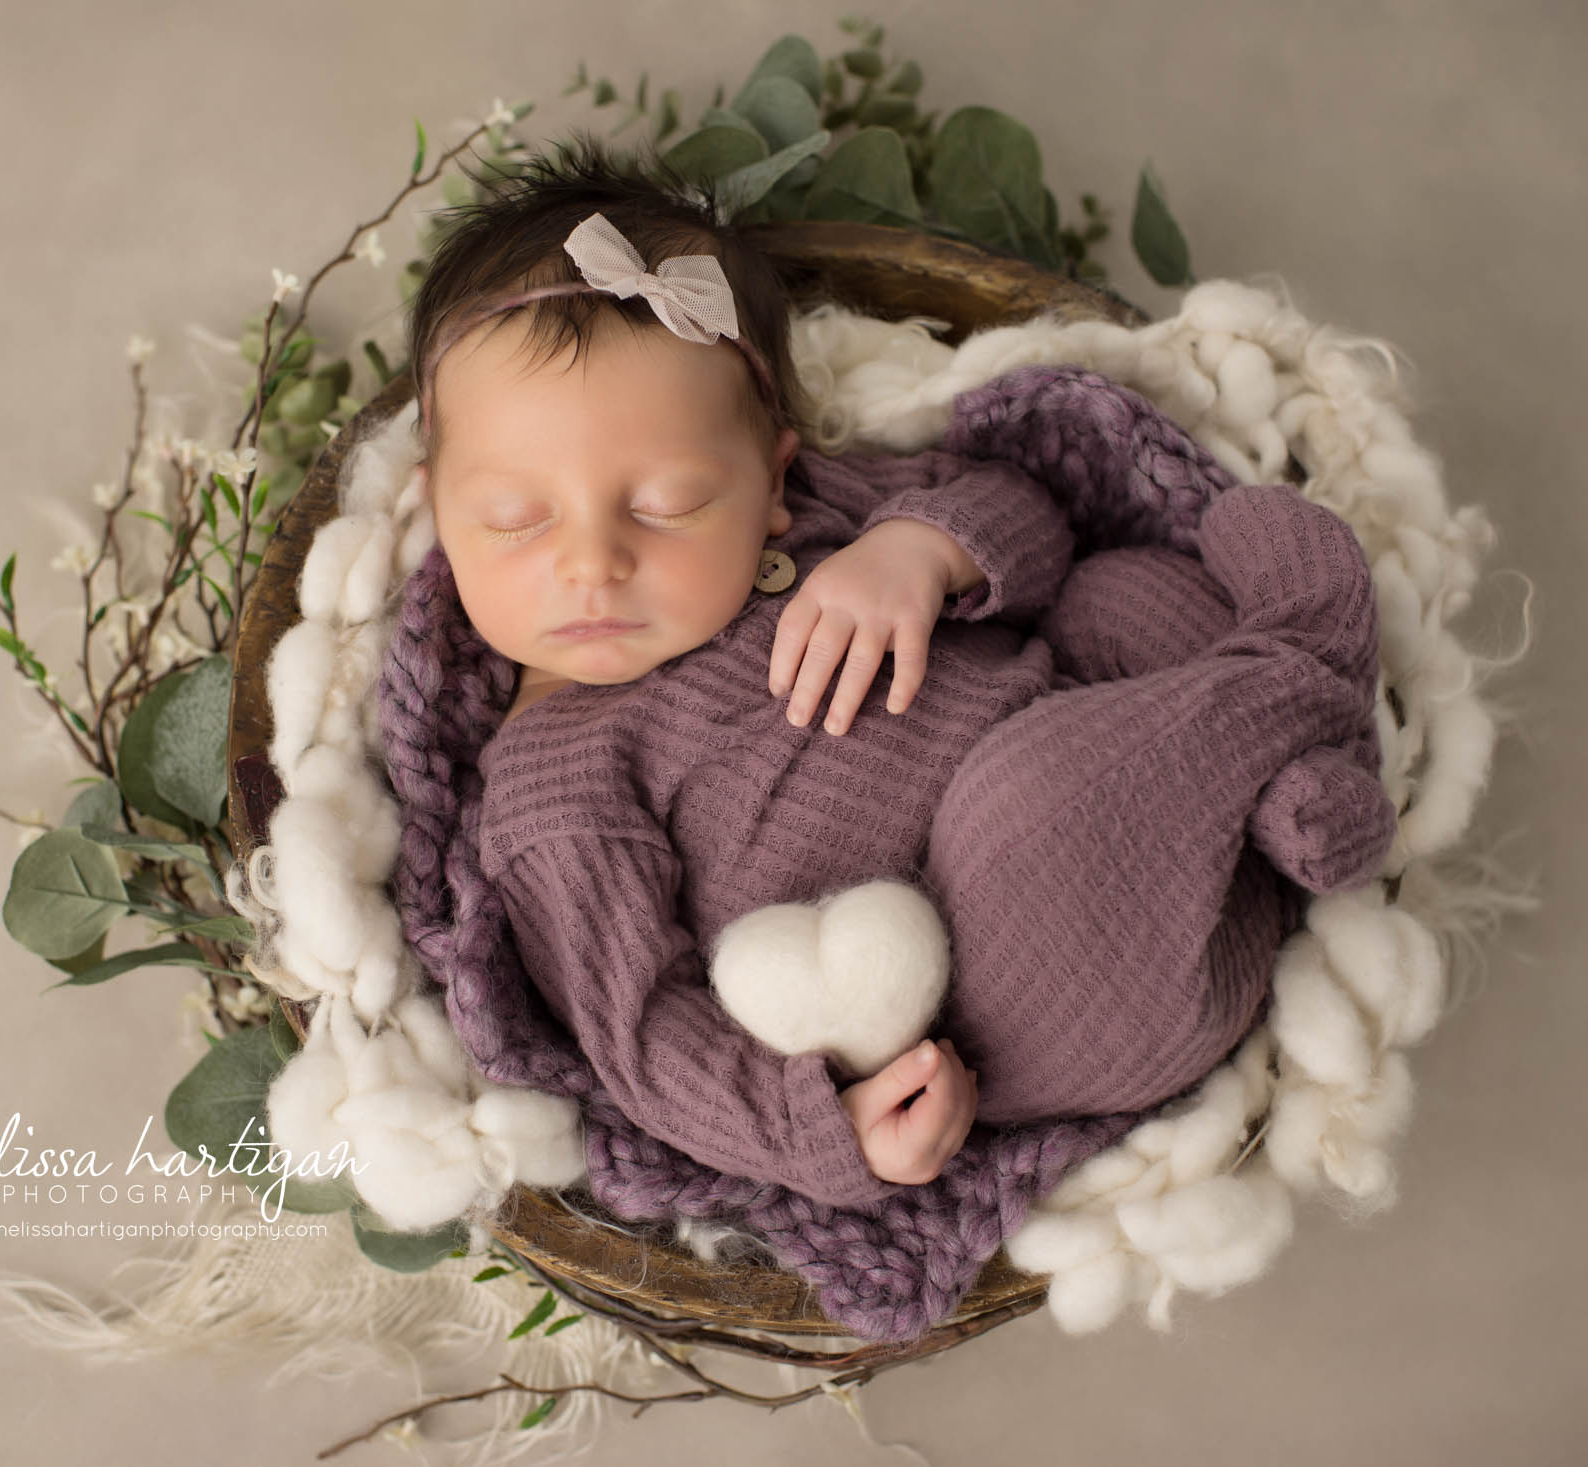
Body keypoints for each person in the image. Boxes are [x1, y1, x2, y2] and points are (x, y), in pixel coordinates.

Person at [381, 134, 1395, 1209]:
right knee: (1029, 797)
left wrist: (919, 550)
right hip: (1037, 987)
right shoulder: (550, 779)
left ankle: (1282, 802)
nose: (591, 561)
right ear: (436, 513)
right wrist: (827, 1131)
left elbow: (1031, 518)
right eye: (512, 520)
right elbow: (642, 1028)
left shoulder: (833, 510)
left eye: (668, 503)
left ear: (772, 476)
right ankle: (1304, 658)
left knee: (1127, 596)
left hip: (1158, 820)